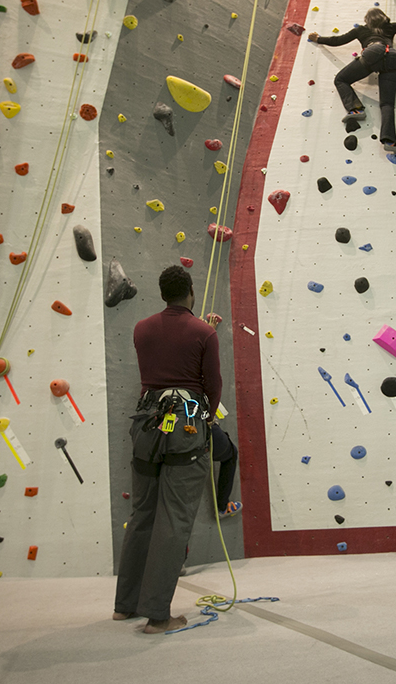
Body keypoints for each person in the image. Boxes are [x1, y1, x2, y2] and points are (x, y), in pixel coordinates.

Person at [114, 265, 222, 634]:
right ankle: (158, 615)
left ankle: (125, 605)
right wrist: (206, 419)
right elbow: (213, 385)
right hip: (185, 426)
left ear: (163, 294)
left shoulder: (141, 328)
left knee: (143, 513)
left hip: (147, 425)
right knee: (174, 517)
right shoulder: (204, 332)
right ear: (191, 290)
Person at [308, 6, 396, 157]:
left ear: (367, 20)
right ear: (383, 17)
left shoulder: (361, 30)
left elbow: (339, 40)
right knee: (387, 104)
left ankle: (356, 109)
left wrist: (318, 39)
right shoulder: (389, 27)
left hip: (373, 52)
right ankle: (389, 141)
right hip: (393, 57)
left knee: (341, 79)